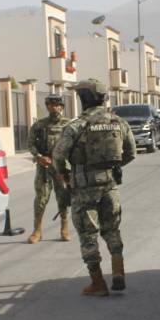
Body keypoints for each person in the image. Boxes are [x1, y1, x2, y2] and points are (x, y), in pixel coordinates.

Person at [52, 79, 137, 296]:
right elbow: (131, 153)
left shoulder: (76, 126)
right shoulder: (119, 123)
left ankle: (98, 283)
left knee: (88, 235)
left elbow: (58, 156)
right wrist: (111, 168)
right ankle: (118, 272)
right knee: (112, 229)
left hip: (84, 188)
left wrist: (64, 174)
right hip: (110, 186)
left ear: (83, 98)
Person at [27, 94, 72, 243]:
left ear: (62, 107)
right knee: (41, 199)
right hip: (44, 167)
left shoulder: (68, 125)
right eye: (51, 105)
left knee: (63, 197)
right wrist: (39, 156)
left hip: (61, 167)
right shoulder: (39, 125)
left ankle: (64, 228)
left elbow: (75, 145)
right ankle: (37, 230)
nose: (54, 107)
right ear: (47, 106)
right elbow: (31, 144)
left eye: (57, 105)